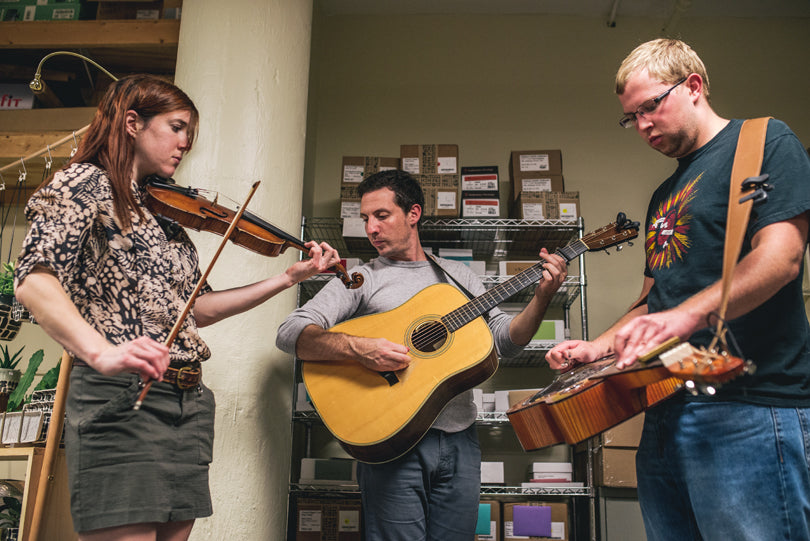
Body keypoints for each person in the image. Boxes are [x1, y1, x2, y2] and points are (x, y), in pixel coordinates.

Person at [13, 74, 341, 541]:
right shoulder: (85, 182)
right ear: (132, 123)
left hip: (186, 398)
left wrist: (288, 277)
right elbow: (34, 278)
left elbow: (195, 310)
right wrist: (100, 352)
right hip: (124, 394)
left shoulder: (163, 217)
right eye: (177, 127)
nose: (186, 143)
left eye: (190, 133)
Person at [546, 39, 810, 540]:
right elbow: (653, 299)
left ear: (693, 86)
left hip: (749, 407)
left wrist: (686, 317)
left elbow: (781, 258)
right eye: (631, 117)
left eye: (651, 106)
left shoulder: (764, 142)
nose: (642, 125)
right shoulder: (663, 194)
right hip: (665, 407)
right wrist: (597, 347)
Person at [276, 169, 568, 540]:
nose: (371, 228)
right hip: (391, 440)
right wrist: (360, 348)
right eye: (365, 218)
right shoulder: (361, 279)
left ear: (413, 214)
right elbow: (291, 334)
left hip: (461, 440)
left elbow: (504, 342)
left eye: (381, 215)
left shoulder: (460, 278)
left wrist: (543, 296)